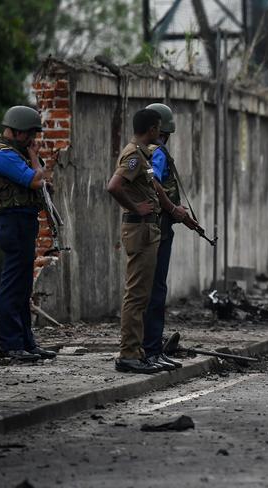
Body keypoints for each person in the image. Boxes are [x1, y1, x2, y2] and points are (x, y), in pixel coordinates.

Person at [107, 109, 185, 374]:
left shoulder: (143, 154)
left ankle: (139, 352)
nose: (161, 133)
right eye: (158, 128)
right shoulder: (132, 155)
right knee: (137, 295)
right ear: (152, 129)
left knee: (144, 294)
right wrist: (135, 207)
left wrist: (174, 210)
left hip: (148, 229)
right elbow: (114, 186)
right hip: (139, 228)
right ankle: (128, 354)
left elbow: (155, 187)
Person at [0, 106, 56, 361]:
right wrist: (33, 158)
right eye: (30, 133)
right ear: (18, 130)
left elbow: (40, 180)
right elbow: (34, 180)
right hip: (13, 223)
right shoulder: (4, 155)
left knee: (23, 286)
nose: (33, 139)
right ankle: (10, 345)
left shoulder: (16, 153)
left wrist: (37, 171)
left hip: (24, 221)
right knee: (12, 286)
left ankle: (26, 343)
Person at [142, 103, 196, 371]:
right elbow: (155, 185)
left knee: (149, 289)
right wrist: (175, 210)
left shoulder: (145, 152)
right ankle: (151, 349)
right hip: (159, 227)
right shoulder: (158, 153)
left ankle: (149, 347)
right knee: (155, 290)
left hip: (152, 225)